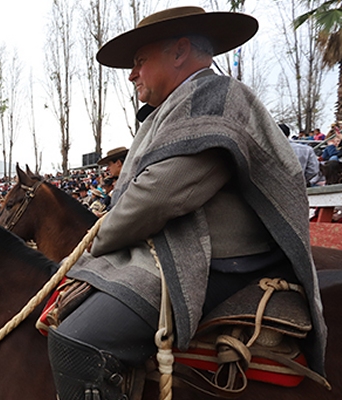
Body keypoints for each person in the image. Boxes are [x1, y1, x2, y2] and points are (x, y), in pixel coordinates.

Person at [47, 7, 326, 400]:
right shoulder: (175, 107)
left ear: (180, 51)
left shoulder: (216, 99)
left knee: (79, 339)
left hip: (218, 259)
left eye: (139, 61)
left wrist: (97, 242)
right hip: (182, 244)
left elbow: (158, 196)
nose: (132, 74)